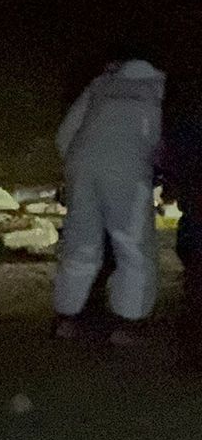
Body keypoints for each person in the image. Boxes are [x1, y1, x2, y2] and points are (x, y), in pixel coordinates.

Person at [53, 47, 166, 344]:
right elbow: (163, 138)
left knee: (81, 242)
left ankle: (67, 316)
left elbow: (65, 134)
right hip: (128, 167)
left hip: (82, 163)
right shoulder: (160, 87)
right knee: (133, 244)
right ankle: (129, 322)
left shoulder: (102, 83)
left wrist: (75, 166)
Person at [162, 74, 201, 364]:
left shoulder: (187, 125)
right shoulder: (188, 126)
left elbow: (173, 163)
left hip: (196, 220)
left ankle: (192, 347)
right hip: (196, 219)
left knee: (196, 283)